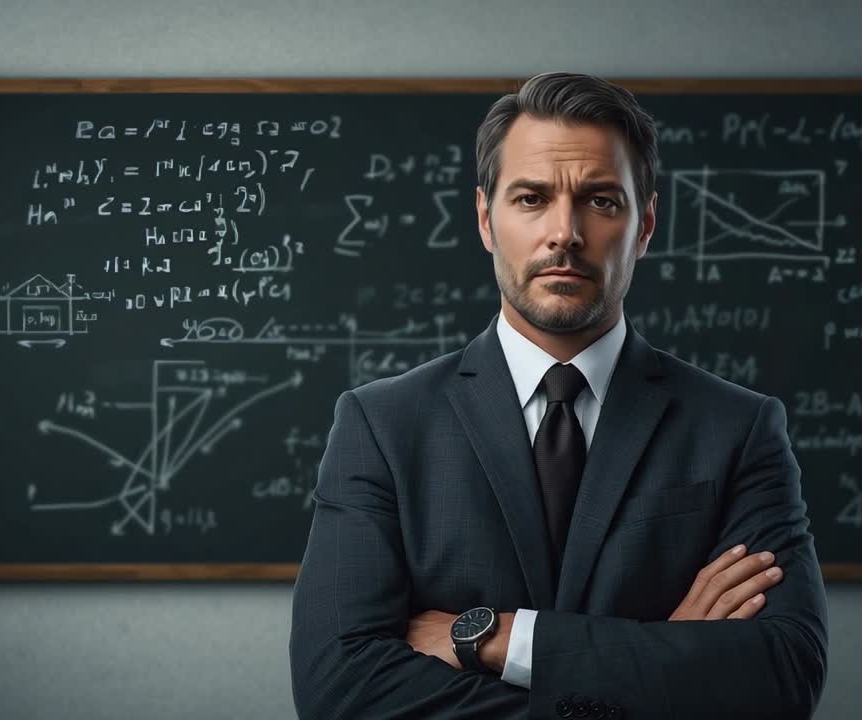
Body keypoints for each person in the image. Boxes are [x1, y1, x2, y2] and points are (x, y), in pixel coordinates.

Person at [290, 72, 828, 719]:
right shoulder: (381, 425)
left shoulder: (739, 428)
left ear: (645, 224)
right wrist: (661, 659)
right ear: (486, 220)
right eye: (531, 198)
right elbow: (340, 691)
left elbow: (783, 677)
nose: (565, 231)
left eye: (600, 200)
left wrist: (499, 638)